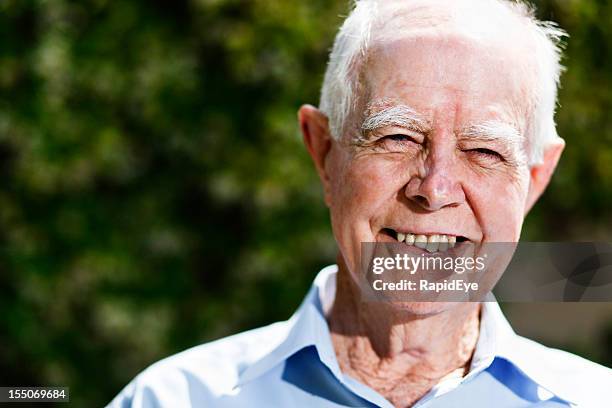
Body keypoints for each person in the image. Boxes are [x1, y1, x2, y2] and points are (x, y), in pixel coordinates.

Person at [108, 0, 612, 406]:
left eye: (482, 150)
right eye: (397, 137)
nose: (434, 189)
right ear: (324, 151)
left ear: (535, 177)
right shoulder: (174, 399)